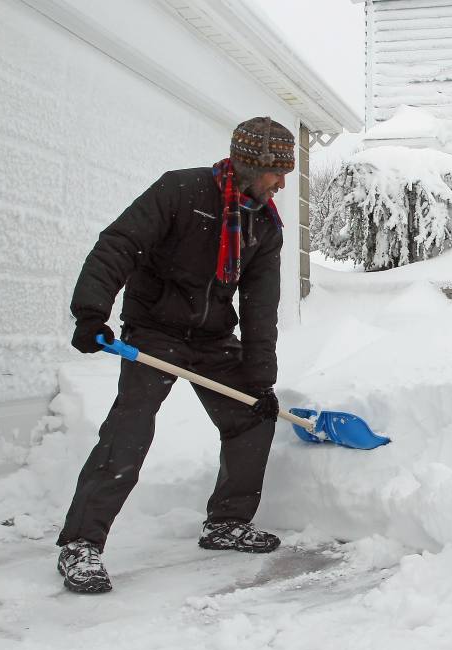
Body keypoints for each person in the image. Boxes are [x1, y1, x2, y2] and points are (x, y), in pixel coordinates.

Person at [55, 117, 295, 593]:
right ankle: (81, 545)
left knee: (252, 414)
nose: (282, 183)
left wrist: (261, 379)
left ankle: (226, 522)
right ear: (249, 164)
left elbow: (260, 306)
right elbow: (118, 244)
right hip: (155, 330)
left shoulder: (264, 226)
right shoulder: (181, 191)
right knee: (131, 426)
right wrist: (91, 311)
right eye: (275, 172)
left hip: (211, 338)